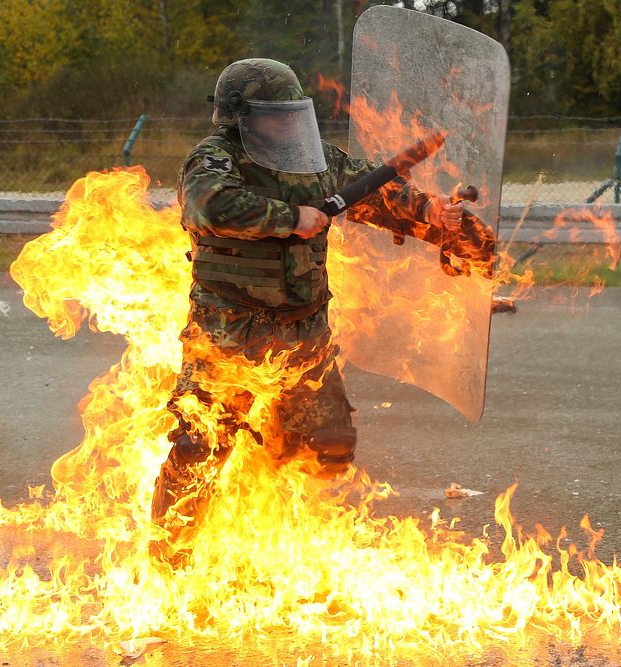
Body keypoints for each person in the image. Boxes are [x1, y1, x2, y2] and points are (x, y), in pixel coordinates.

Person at [150, 58, 463, 562]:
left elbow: (380, 193)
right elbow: (207, 205)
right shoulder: (214, 159)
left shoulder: (317, 160)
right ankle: (169, 561)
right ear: (241, 116)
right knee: (199, 450)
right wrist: (292, 217)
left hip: (303, 335)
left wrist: (430, 213)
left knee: (329, 446)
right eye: (276, 114)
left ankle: (263, 526)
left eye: (291, 113)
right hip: (227, 336)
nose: (289, 123)